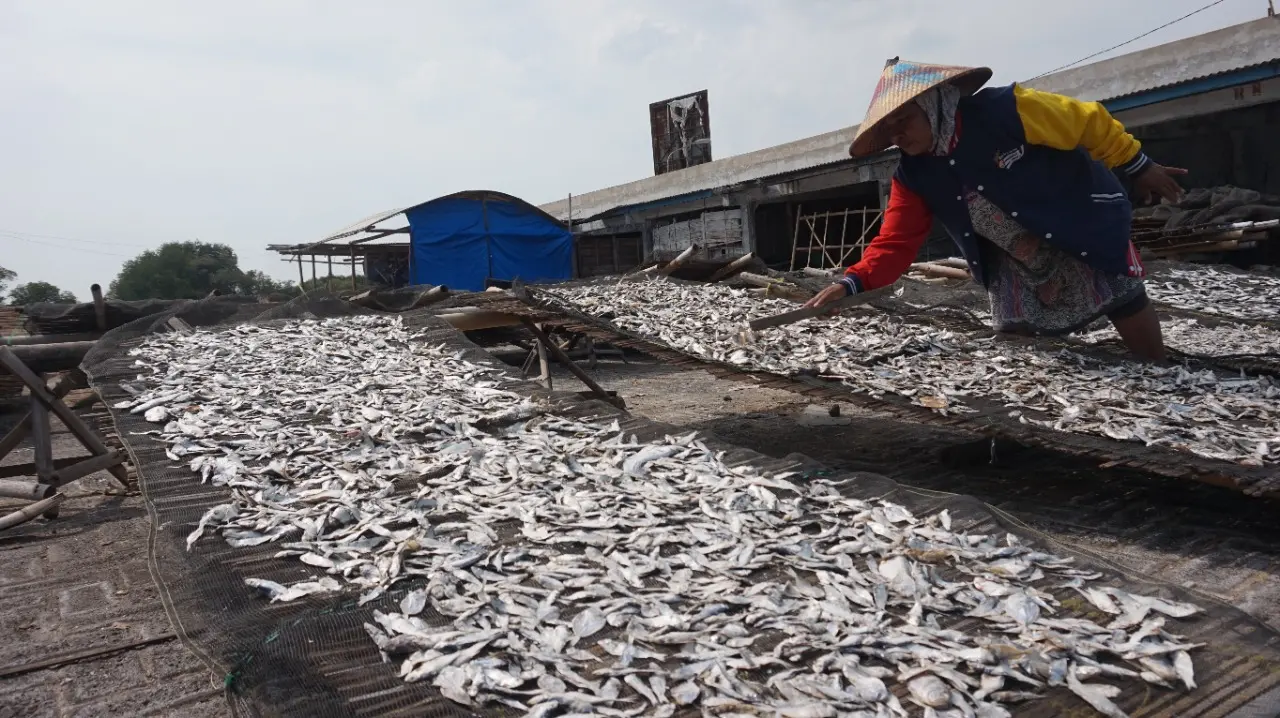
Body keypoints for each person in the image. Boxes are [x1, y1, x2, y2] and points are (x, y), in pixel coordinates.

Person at [803, 58, 1187, 362]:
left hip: (1072, 222)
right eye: (888, 130)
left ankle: (1158, 368)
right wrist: (851, 283)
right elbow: (896, 239)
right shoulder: (913, 174)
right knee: (1015, 334)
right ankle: (1033, 423)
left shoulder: (1007, 109)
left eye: (903, 120)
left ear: (935, 104)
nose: (897, 135)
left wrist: (1138, 165)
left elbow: (1087, 122)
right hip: (1008, 255)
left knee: (1122, 297)